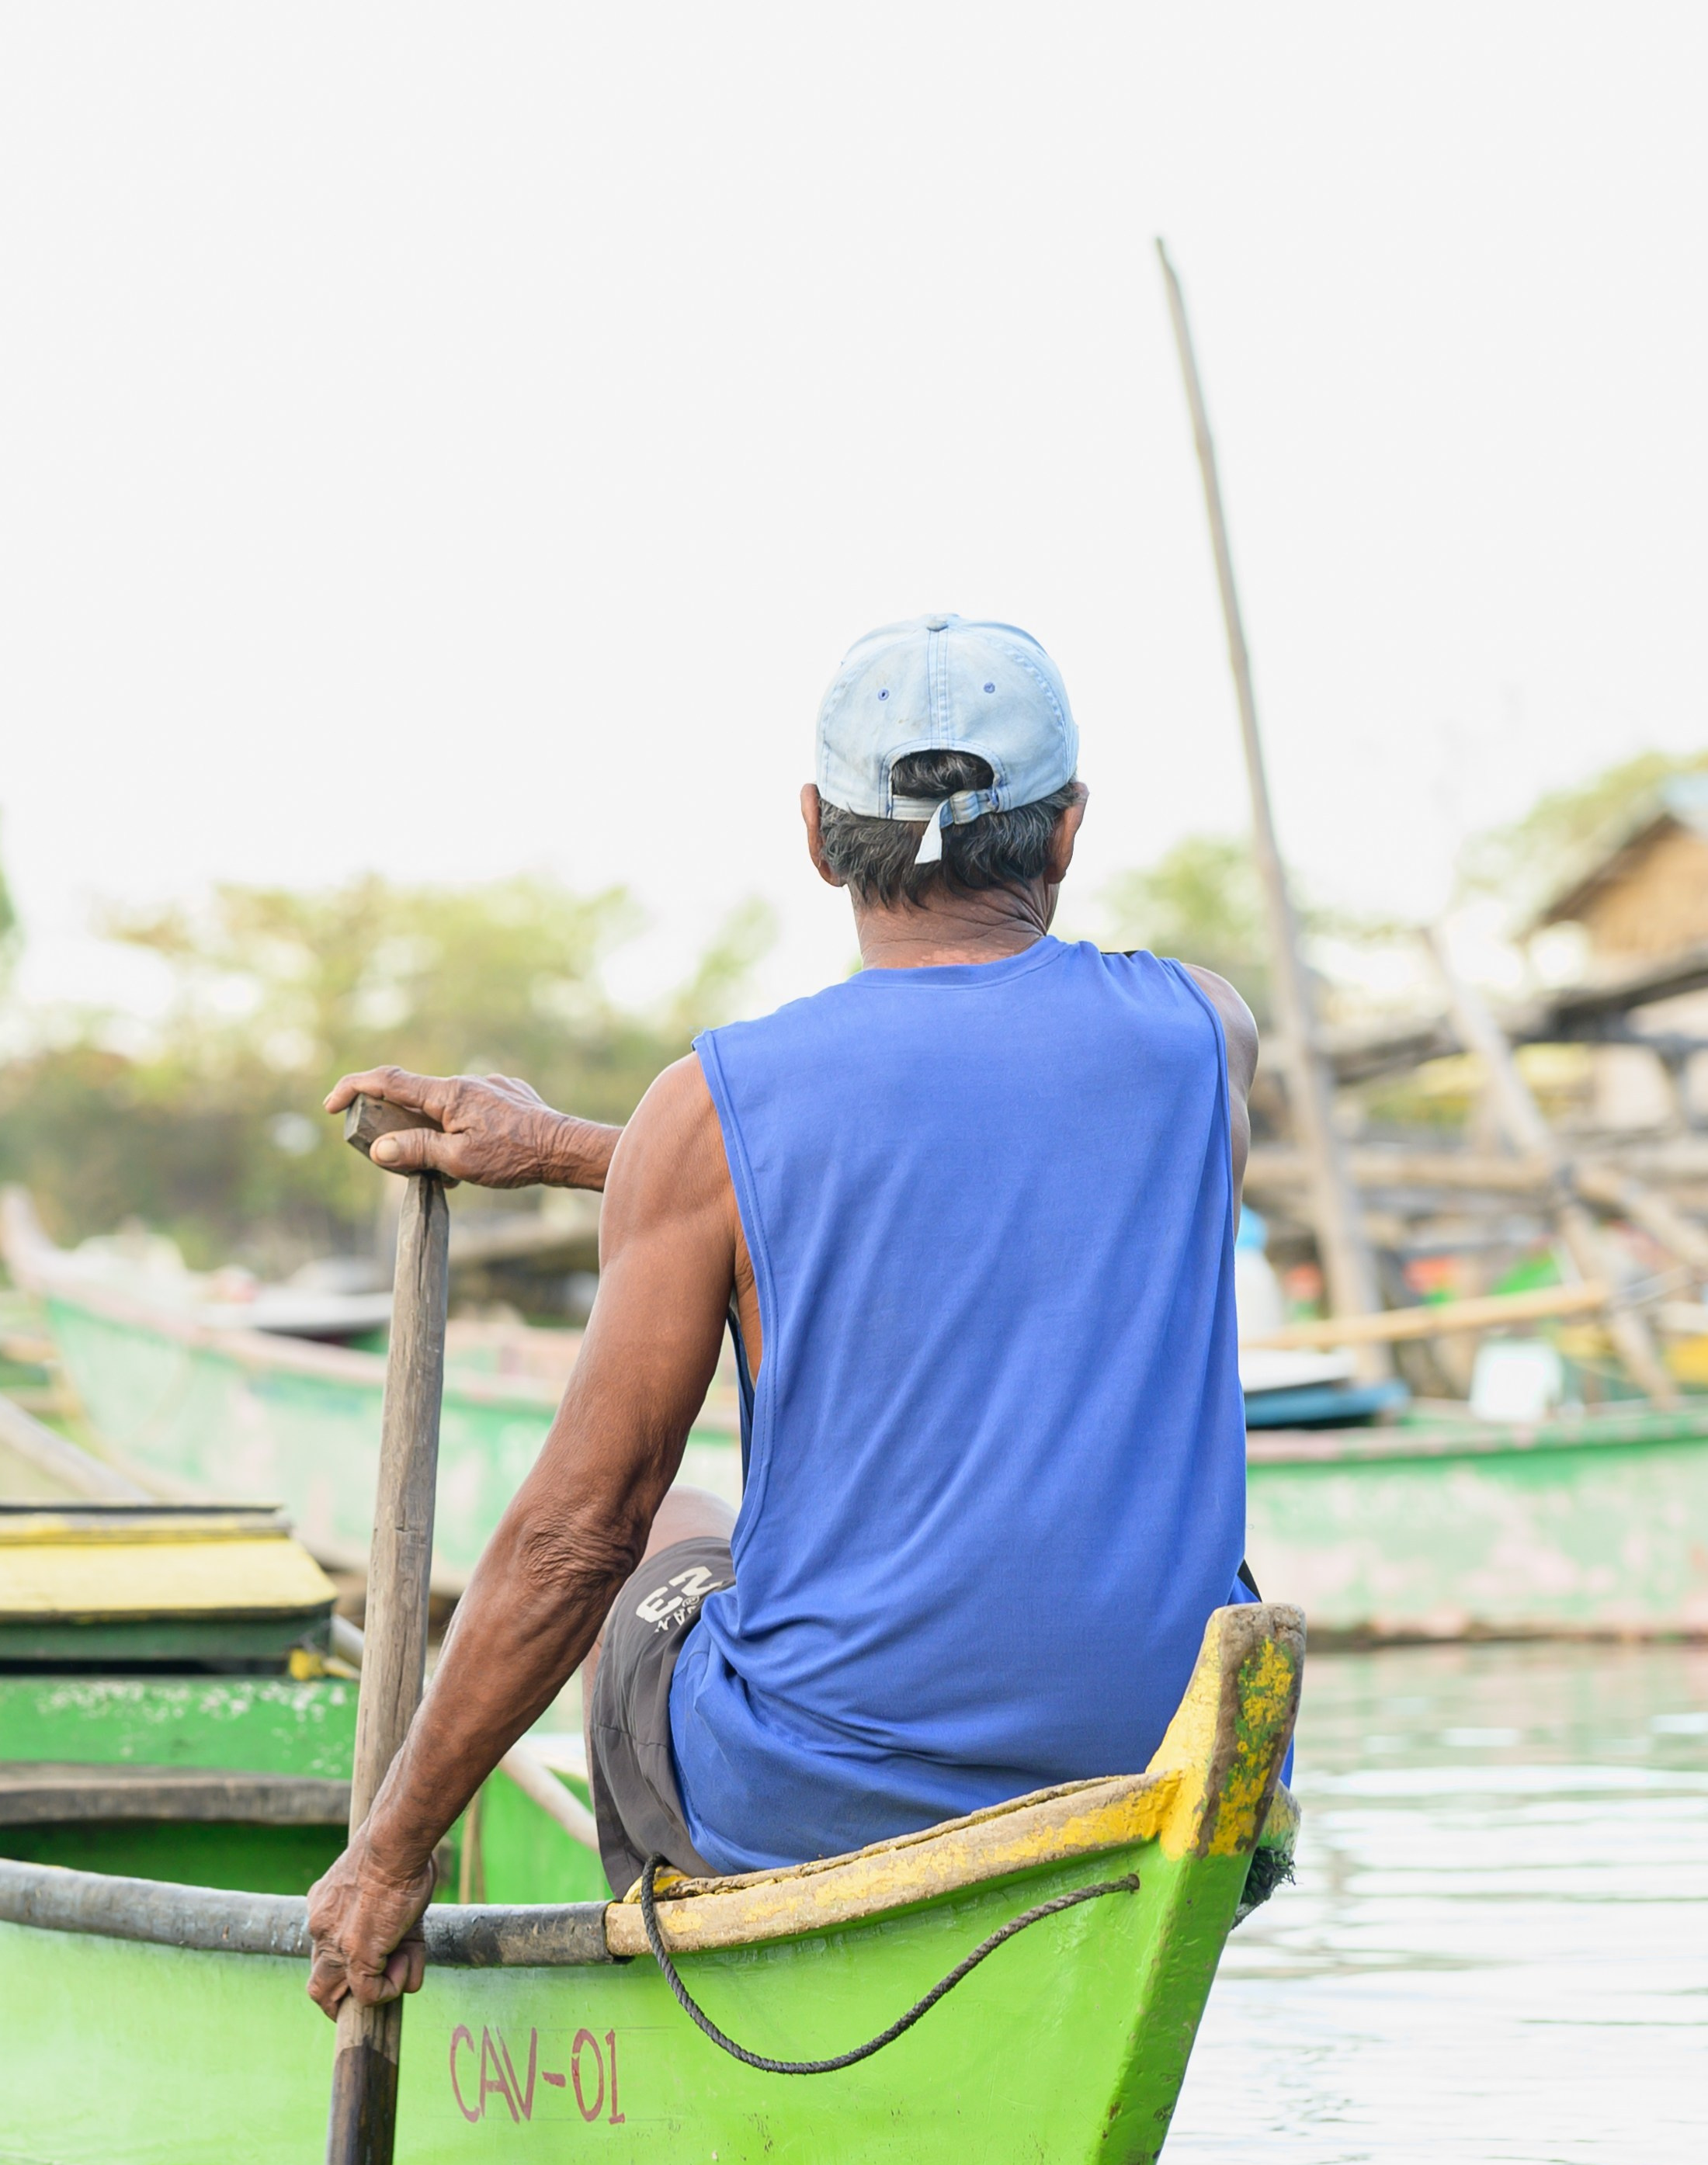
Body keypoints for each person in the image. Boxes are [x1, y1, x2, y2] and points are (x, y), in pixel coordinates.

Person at [306, 612, 1258, 2021]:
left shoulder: (719, 1105)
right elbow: (967, 1153)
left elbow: (579, 1530)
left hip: (826, 1785)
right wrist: (567, 1147)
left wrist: (389, 1858)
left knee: (663, 1545)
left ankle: (716, 1983)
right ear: (1066, 835)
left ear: (818, 835)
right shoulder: (1207, 1039)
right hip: (1167, 1755)